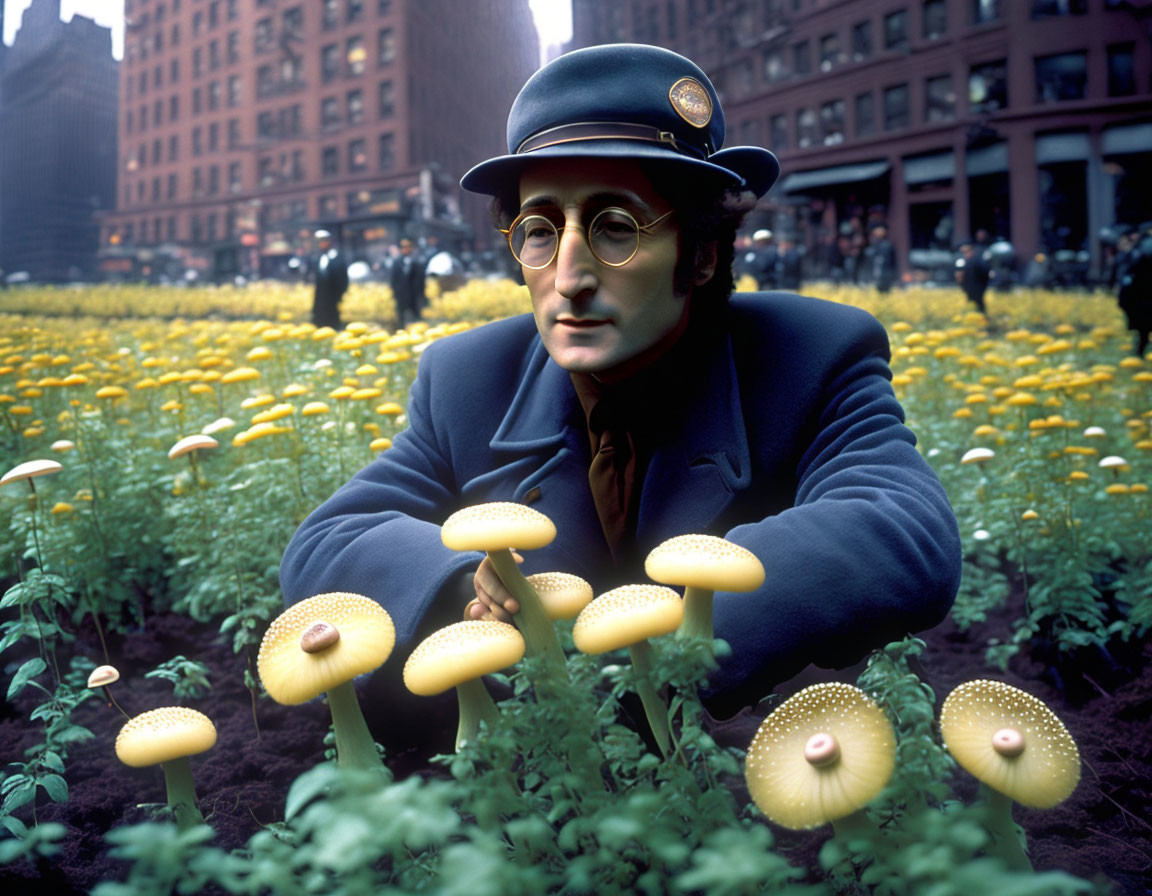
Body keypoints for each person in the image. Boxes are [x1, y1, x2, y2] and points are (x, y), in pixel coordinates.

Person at [280, 44, 961, 730]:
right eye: (540, 230)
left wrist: (649, 642)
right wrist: (481, 592)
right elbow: (327, 540)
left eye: (615, 228)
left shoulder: (809, 355)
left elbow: (902, 529)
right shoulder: (468, 378)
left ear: (701, 253)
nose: (569, 276)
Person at [1116, 223, 1152, 358]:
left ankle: (1139, 353)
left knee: (1143, 328)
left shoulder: (1142, 249)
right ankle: (1140, 352)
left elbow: (1131, 271)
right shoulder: (1140, 248)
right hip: (1141, 295)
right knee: (1143, 329)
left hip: (1141, 296)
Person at [311, 229, 348, 329]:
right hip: (320, 301)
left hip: (332, 301)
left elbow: (343, 280)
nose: (320, 244)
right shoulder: (319, 258)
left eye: (322, 241)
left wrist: (338, 296)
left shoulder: (336, 258)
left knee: (332, 325)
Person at [390, 237, 427, 327]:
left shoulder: (417, 261)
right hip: (401, 294)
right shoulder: (396, 262)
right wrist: (395, 292)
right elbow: (393, 279)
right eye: (404, 247)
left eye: (408, 247)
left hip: (414, 294)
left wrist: (421, 293)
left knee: (416, 314)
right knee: (401, 315)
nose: (406, 249)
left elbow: (421, 279)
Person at [954, 240, 990, 314]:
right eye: (962, 252)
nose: (964, 254)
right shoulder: (963, 261)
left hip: (978, 287)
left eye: (965, 251)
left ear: (971, 251)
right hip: (968, 288)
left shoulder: (978, 261)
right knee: (971, 304)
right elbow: (958, 274)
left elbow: (985, 273)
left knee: (979, 304)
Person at [861, 224, 898, 293]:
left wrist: (895, 279)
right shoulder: (869, 248)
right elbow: (865, 266)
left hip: (885, 278)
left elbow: (893, 264)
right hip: (872, 277)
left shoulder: (888, 247)